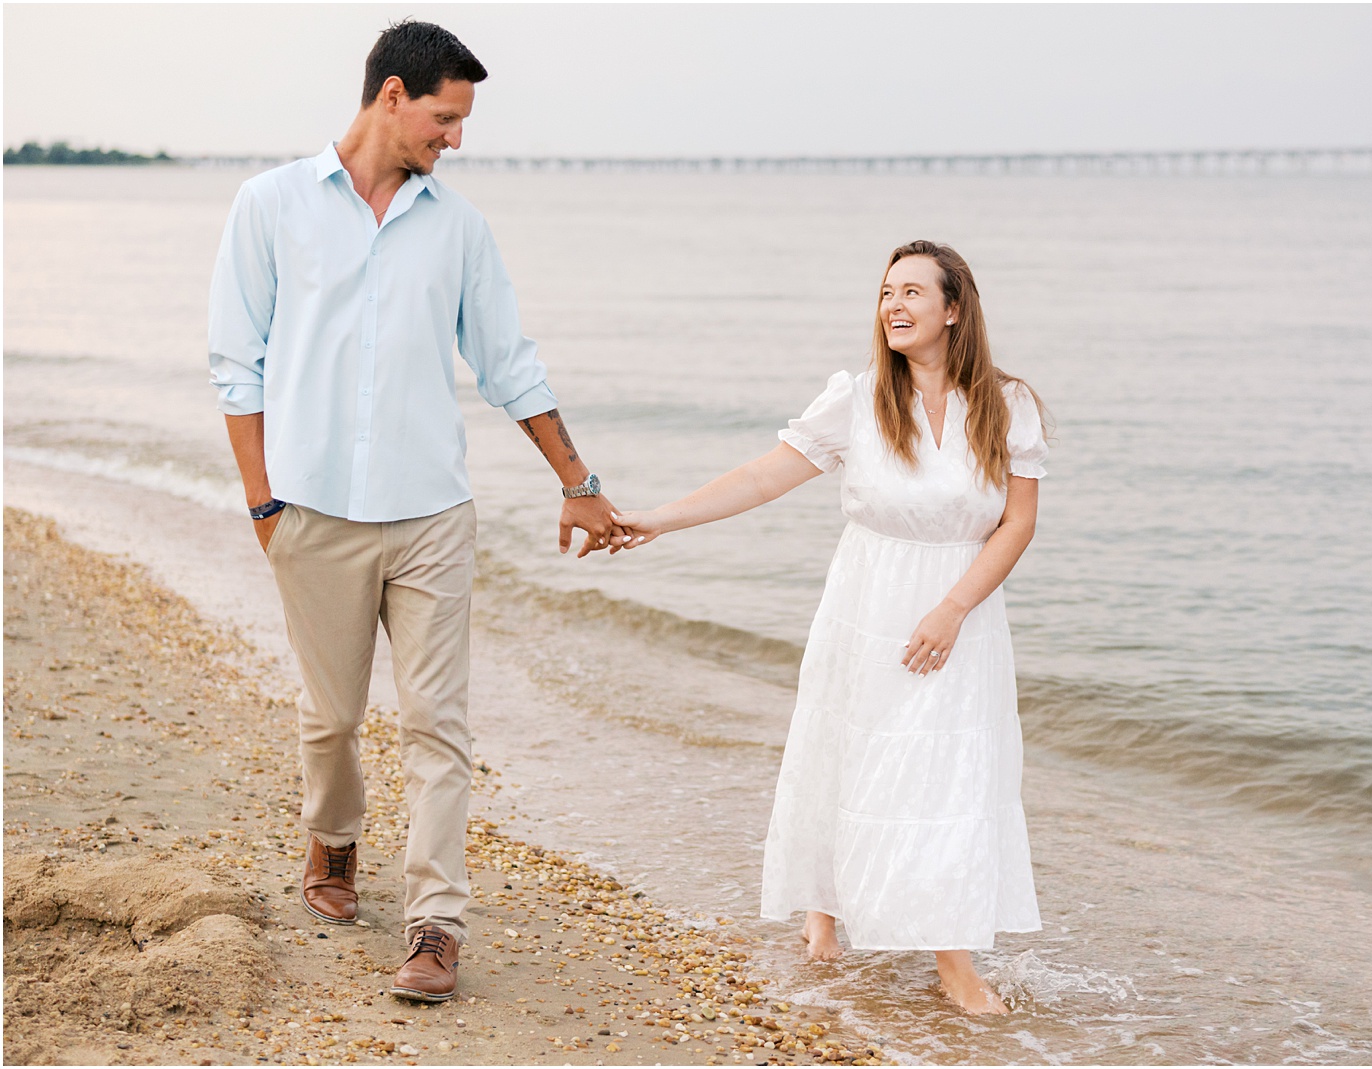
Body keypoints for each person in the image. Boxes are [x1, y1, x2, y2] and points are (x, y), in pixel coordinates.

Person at [207, 20, 626, 1003]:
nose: (456, 137)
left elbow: (508, 363)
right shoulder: (269, 205)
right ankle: (333, 838)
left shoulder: (459, 228)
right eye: (445, 116)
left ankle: (435, 923)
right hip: (312, 511)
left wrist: (578, 482)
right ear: (391, 95)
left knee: (437, 724)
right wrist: (264, 505)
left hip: (433, 513)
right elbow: (237, 366)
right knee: (332, 718)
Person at [614, 240, 1047, 1014]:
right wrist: (658, 519)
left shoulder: (1008, 404)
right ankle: (825, 908)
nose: (894, 305)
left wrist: (953, 607)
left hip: (963, 611)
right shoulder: (859, 398)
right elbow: (761, 477)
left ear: (954, 309)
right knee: (848, 750)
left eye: (913, 292)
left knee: (948, 774)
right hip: (869, 599)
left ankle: (951, 957)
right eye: (886, 292)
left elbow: (1017, 523)